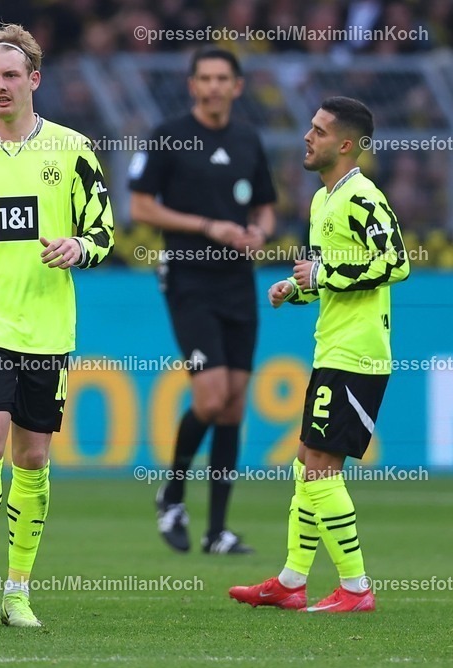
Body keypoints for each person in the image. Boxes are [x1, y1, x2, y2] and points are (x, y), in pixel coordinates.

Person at [0, 24, 114, 628]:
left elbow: (105, 230)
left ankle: (18, 589)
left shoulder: (73, 149)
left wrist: (79, 246)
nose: (0, 85)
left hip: (47, 328)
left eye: (11, 75)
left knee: (31, 460)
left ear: (34, 79)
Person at [230, 96, 409, 612]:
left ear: (346, 145)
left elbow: (395, 262)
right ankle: (291, 580)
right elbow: (327, 276)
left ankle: (355, 588)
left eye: (319, 131)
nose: (307, 137)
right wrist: (298, 287)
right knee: (306, 461)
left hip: (358, 353)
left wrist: (324, 275)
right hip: (332, 347)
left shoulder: (362, 197)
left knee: (319, 470)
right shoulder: (321, 200)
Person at [129, 47, 277, 555]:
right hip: (189, 279)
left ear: (237, 86)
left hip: (238, 281)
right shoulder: (168, 135)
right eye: (205, 78)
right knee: (211, 398)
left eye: (223, 78)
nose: (213, 86)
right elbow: (141, 204)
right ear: (192, 85)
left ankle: (217, 531)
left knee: (234, 406)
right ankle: (171, 494)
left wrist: (258, 230)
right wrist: (206, 226)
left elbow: (266, 205)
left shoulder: (248, 138)